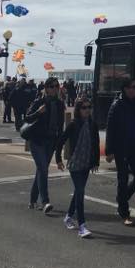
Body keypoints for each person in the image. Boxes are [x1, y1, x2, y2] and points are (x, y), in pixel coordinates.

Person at [105, 79, 135, 226]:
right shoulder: (117, 105)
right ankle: (124, 213)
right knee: (122, 179)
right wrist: (109, 150)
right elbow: (110, 128)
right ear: (125, 89)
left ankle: (121, 198)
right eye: (132, 87)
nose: (134, 90)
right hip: (121, 148)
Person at [57, 99, 99, 236]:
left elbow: (96, 144)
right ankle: (82, 226)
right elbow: (61, 141)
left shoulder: (93, 125)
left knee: (78, 192)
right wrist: (58, 159)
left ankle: (68, 217)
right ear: (78, 110)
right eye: (84, 107)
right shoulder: (74, 124)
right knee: (80, 192)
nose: (87, 110)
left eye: (89, 107)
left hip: (86, 163)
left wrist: (96, 162)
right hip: (75, 163)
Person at [23, 77, 65, 213]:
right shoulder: (39, 102)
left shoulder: (59, 104)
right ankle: (45, 201)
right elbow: (27, 118)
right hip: (37, 141)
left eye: (56, 86)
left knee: (41, 170)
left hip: (51, 141)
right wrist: (38, 112)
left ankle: (32, 199)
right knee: (43, 169)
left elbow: (60, 125)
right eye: (52, 86)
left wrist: (59, 144)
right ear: (46, 88)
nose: (54, 89)